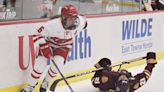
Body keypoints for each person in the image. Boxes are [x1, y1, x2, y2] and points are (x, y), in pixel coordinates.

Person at [21, 4, 87, 92]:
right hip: (48, 44)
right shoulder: (52, 24)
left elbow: (84, 21)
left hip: (64, 46)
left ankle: (46, 83)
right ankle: (30, 87)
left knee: (57, 66)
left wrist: (83, 19)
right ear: (63, 18)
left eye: (74, 17)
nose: (73, 20)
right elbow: (36, 33)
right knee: (39, 66)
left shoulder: (80, 23)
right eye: (70, 18)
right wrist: (44, 46)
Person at [91, 52, 157, 92]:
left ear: (116, 83)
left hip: (108, 80)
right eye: (125, 79)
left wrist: (100, 68)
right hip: (120, 75)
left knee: (105, 61)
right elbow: (146, 74)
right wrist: (151, 63)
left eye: (121, 79)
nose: (123, 77)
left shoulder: (108, 79)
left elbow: (94, 81)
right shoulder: (133, 84)